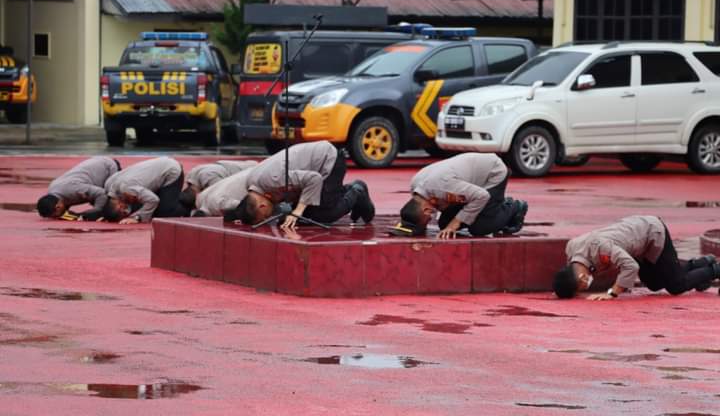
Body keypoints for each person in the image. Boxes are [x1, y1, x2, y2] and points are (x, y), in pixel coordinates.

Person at [553, 215, 720, 300]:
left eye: (582, 288)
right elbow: (570, 272)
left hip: (652, 231)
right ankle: (703, 263)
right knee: (655, 284)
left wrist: (612, 293)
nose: (586, 288)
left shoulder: (601, 247)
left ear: (583, 278)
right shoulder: (572, 249)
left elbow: (631, 266)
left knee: (676, 286)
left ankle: (715, 269)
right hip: (638, 244)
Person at [232, 140, 374, 228]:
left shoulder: (272, 180)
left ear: (262, 206)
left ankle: (357, 190)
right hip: (311, 172)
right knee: (309, 216)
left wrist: (297, 212)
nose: (268, 218)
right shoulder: (256, 185)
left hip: (329, 160)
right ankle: (342, 193)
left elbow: (314, 179)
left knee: (325, 215)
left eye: (264, 217)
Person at [398, 153, 528, 239]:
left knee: (479, 228)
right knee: (444, 225)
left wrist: (454, 224)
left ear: (427, 210)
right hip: (464, 185)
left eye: (426, 221)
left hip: (491, 174)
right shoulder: (416, 187)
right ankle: (493, 209)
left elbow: (481, 196)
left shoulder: (442, 187)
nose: (428, 223)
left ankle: (513, 207)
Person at [102, 157, 188, 224]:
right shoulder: (110, 184)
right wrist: (107, 215)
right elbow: (109, 207)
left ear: (120, 206)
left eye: (123, 213)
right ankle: (171, 197)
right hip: (160, 168)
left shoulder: (127, 189)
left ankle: (188, 204)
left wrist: (137, 218)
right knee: (139, 207)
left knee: (163, 213)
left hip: (171, 171)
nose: (126, 213)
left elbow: (153, 200)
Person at [36, 156, 121, 221]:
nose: (58, 217)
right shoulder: (54, 192)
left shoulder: (73, 189)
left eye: (56, 215)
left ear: (58, 206)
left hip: (108, 166)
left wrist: (96, 210)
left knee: (112, 205)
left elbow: (101, 193)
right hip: (97, 164)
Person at [179, 160, 258, 210]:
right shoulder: (191, 175)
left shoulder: (209, 177)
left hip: (252, 170)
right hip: (245, 167)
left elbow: (222, 194)